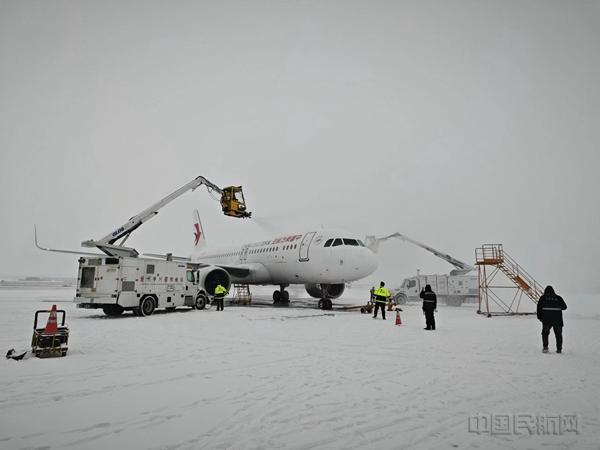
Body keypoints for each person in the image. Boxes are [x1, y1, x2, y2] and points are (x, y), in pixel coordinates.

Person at [537, 285, 567, 353]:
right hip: (557, 319)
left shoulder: (543, 298)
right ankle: (559, 349)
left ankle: (545, 347)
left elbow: (539, 309)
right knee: (558, 334)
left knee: (545, 333)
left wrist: (540, 317)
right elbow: (565, 307)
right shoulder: (558, 298)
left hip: (547, 319)